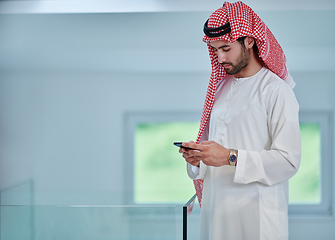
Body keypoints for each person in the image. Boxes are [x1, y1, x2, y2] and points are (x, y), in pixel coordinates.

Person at [178, 1, 301, 240]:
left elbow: (288, 161)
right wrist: (196, 158)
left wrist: (228, 156)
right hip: (216, 216)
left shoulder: (276, 91)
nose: (220, 57)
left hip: (256, 219)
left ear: (250, 41)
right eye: (215, 50)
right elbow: (214, 150)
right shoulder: (220, 89)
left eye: (225, 48)